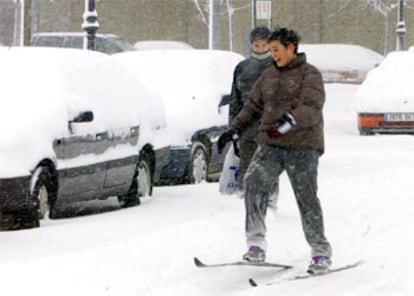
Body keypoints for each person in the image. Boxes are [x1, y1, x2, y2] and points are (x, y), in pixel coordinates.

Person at [218, 28, 332, 274]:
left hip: (303, 145)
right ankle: (255, 244)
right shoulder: (268, 75)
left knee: (307, 197)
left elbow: (311, 107)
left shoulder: (309, 74)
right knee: (253, 183)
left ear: (291, 47)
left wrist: (288, 122)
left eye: (277, 50)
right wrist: (234, 128)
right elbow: (252, 105)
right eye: (271, 51)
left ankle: (320, 251)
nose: (273, 55)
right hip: (271, 145)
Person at [228, 26, 278, 207]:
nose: (260, 48)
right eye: (256, 45)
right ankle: (244, 198)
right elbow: (235, 98)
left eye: (264, 45)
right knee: (247, 165)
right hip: (247, 127)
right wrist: (233, 126)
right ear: (251, 45)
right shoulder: (242, 68)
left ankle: (270, 202)